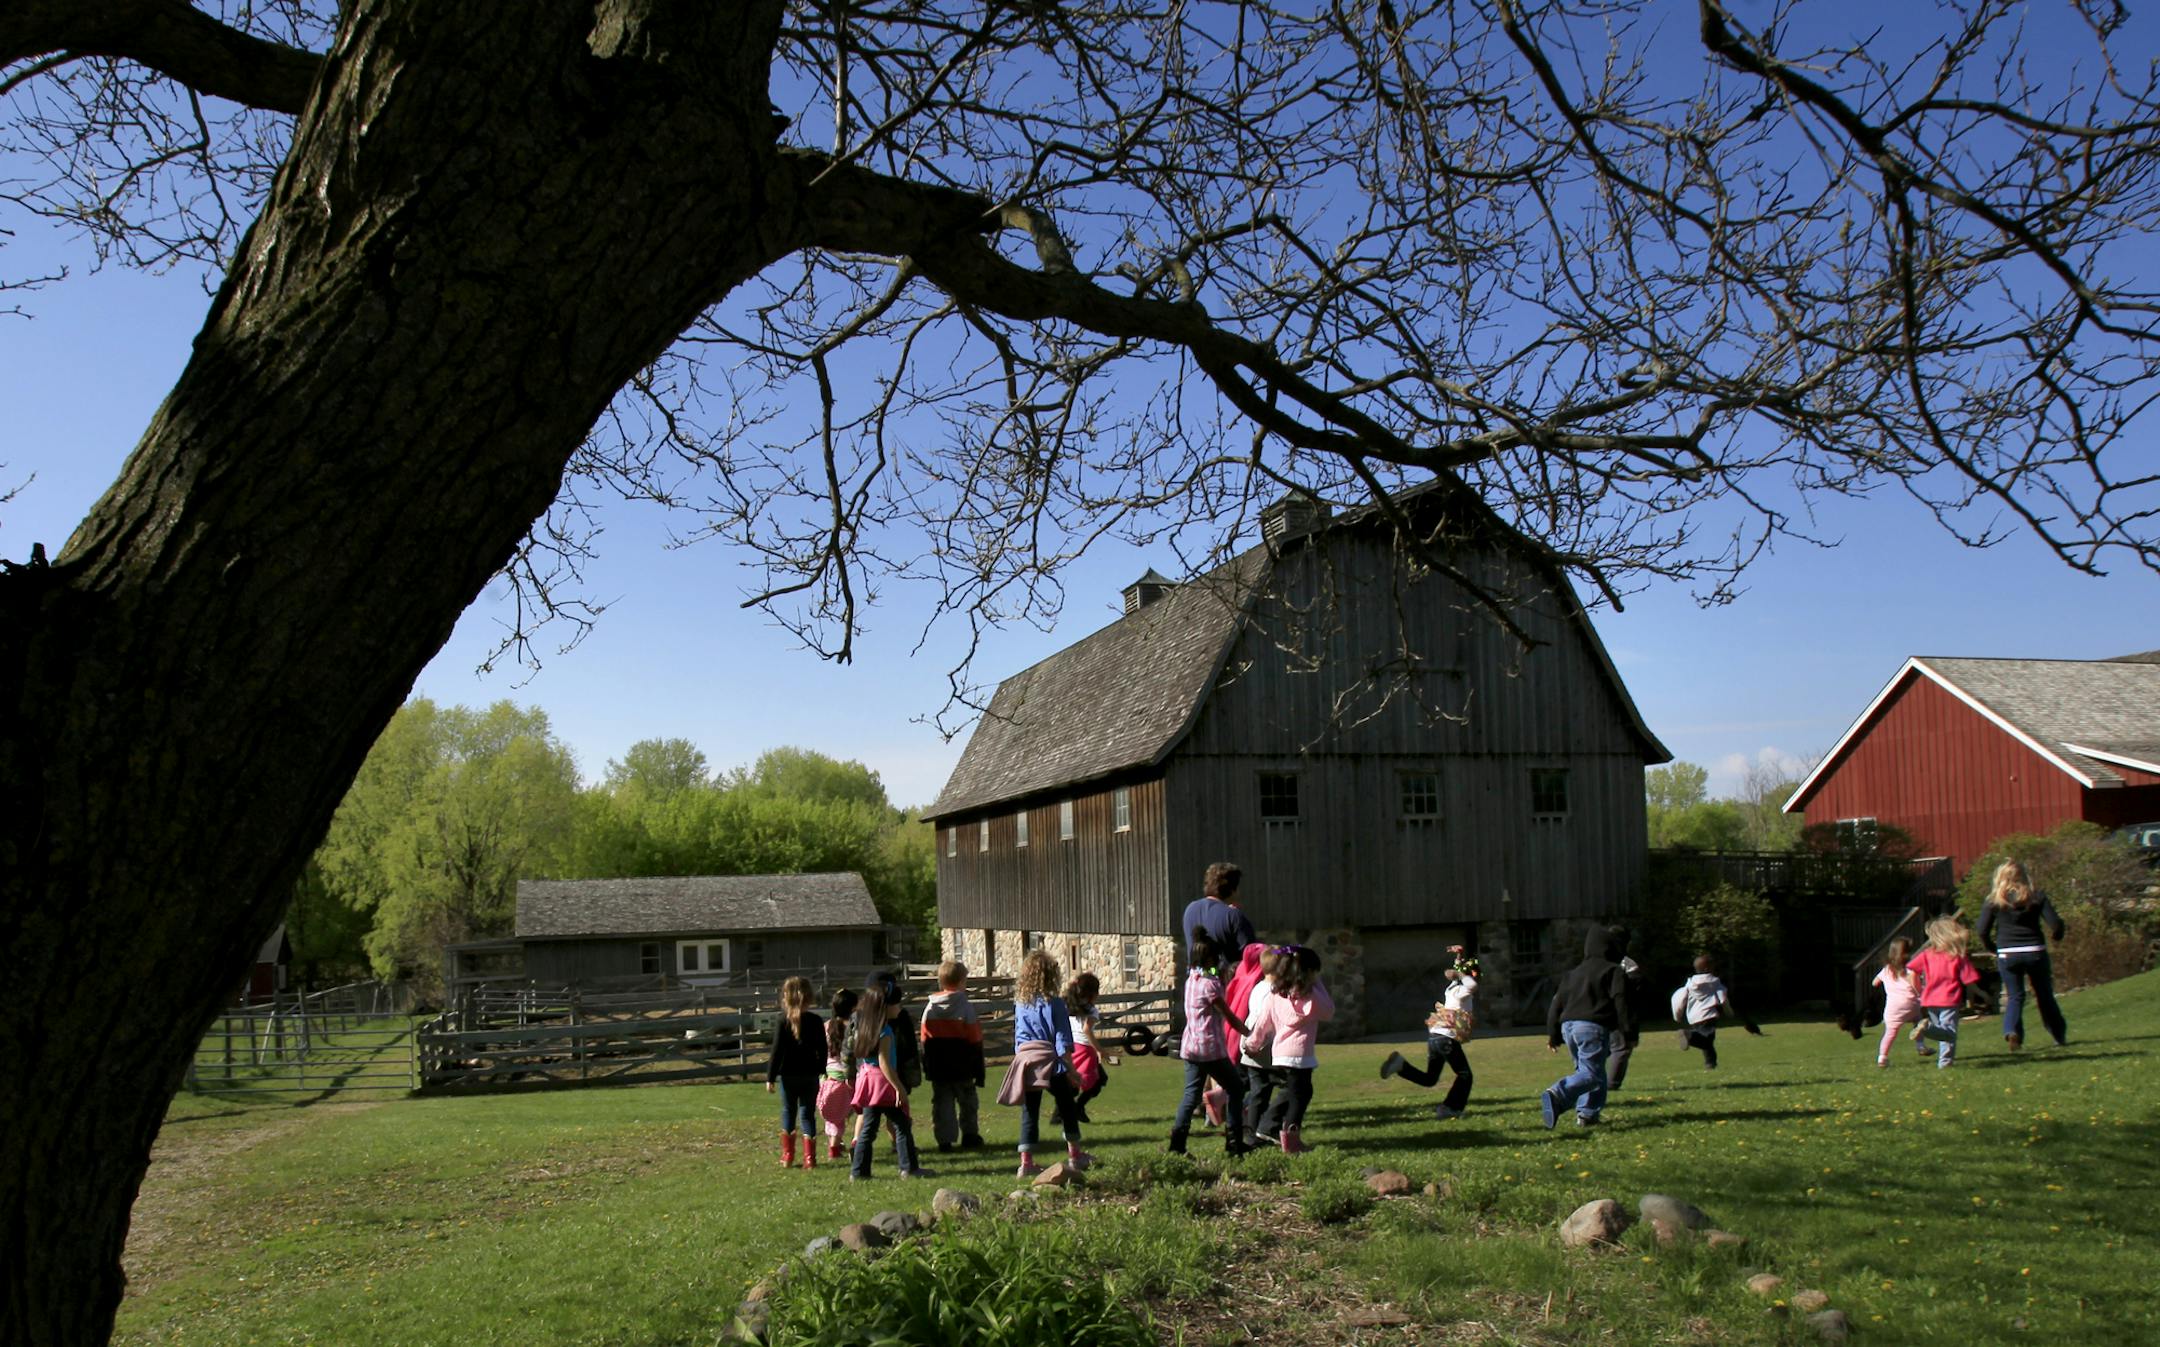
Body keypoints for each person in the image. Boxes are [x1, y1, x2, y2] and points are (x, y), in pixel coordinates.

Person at [996, 949, 1093, 1178]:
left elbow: (1019, 1036)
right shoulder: (1055, 1003)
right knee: (1067, 1107)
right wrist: (1071, 1069)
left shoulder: (1020, 1004)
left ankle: (1026, 1162)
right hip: (1052, 1062)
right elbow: (1061, 1039)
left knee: (1030, 1111)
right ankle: (1075, 1154)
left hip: (1028, 1061)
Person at [1168, 931, 1251, 1156]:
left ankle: (1177, 1145)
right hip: (1210, 1048)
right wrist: (1246, 1031)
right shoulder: (1210, 985)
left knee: (1190, 1096)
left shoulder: (1192, 979)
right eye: (1216, 958)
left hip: (1190, 1046)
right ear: (1209, 958)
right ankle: (1234, 1141)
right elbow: (1227, 1014)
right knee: (1236, 1088)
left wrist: (1218, 973)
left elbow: (1212, 972)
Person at [1542, 928, 1632, 1129]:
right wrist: (1628, 1031)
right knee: (1591, 1074)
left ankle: (1588, 1114)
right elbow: (1622, 1001)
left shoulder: (1572, 974)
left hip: (1568, 1027)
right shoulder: (1613, 970)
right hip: (1592, 1027)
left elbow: (1556, 1004)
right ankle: (1558, 1094)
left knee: (1588, 1071)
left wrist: (1553, 1034)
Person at [1976, 858, 2069, 1050]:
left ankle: (2012, 1031)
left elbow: (1981, 930)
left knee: (2015, 996)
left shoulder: (1994, 901)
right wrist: (2057, 936)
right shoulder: (2036, 896)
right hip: (2035, 951)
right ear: (2024, 876)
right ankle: (2058, 1035)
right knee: (2044, 994)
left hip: (2008, 953)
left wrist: (1992, 948)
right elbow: (2055, 923)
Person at [1249, 944, 1334, 1153]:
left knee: (1295, 1091)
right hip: (1300, 1055)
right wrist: (1317, 984)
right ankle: (1287, 1136)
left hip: (1280, 1054)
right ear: (1308, 973)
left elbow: (1262, 1024)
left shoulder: (1275, 996)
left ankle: (1271, 1126)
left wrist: (1253, 1044)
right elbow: (1329, 1011)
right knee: (1299, 1097)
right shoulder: (1311, 997)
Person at [1380, 946, 1476, 1119]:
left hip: (1435, 1038)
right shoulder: (1462, 991)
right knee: (1465, 1075)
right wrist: (1461, 974)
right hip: (1446, 1039)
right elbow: (1472, 983)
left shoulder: (1452, 988)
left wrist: (1459, 957)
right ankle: (1450, 1108)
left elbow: (1461, 973)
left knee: (1430, 1079)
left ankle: (1401, 1066)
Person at [847, 984, 931, 1179]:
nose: (899, 1008)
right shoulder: (885, 1032)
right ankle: (909, 1168)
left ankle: (858, 1172)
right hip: (882, 1083)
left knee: (868, 1128)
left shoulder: (864, 1029)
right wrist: (899, 1088)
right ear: (884, 1007)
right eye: (896, 1004)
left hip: (867, 1081)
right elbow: (884, 1064)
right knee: (902, 1124)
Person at [919, 959, 987, 1151]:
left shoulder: (930, 1008)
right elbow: (974, 1038)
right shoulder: (965, 1007)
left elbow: (924, 1039)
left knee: (942, 1104)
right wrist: (977, 1065)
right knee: (968, 1102)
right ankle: (970, 1135)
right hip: (963, 1064)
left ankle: (945, 1139)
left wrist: (928, 1063)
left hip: (940, 1065)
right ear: (961, 981)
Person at [763, 975, 827, 1170]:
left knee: (788, 1112)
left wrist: (770, 1077)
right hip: (809, 1075)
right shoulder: (816, 1021)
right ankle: (810, 1158)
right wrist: (821, 1069)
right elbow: (823, 1049)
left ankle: (788, 1155)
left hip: (789, 1075)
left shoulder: (782, 1021)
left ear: (786, 997)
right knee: (807, 1114)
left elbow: (776, 1051)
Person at [1907, 915, 1981, 1068]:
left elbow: (1912, 972)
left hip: (1929, 1000)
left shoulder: (1927, 954)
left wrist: (1919, 991)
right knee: (1949, 1033)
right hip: (1949, 999)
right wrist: (1982, 994)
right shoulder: (1957, 956)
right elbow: (1969, 980)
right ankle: (1944, 1061)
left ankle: (1941, 1055)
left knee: (1942, 1032)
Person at [1224, 944, 1273, 1147]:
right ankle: (1250, 1129)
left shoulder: (1241, 976)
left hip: (1239, 1038)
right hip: (1251, 1040)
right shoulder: (1257, 982)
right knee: (1255, 1088)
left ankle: (1247, 1126)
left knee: (1249, 1086)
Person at [1672, 954, 1750, 1070]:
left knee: (1708, 1041)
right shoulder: (1714, 982)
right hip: (1708, 1016)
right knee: (1706, 1040)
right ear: (1707, 968)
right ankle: (1689, 1035)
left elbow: (1679, 998)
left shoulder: (1690, 983)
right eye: (1713, 966)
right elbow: (1723, 999)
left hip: (1693, 1017)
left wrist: (1677, 1015)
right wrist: (1729, 1012)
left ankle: (1710, 1064)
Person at [1180, 861, 1260, 966]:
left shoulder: (1190, 909)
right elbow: (1252, 957)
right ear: (1232, 890)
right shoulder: (1234, 917)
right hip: (1225, 981)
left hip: (1195, 979)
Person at [1602, 928, 1651, 1090]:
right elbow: (1634, 992)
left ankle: (1590, 1082)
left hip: (1596, 1011)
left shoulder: (1595, 961)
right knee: (1621, 1048)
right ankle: (1611, 1084)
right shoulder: (1626, 964)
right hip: (1616, 1012)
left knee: (1602, 1050)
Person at [814, 988, 858, 1160]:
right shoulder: (854, 1027)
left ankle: (835, 1146)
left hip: (828, 1077)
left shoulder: (826, 1027)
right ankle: (840, 1146)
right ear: (853, 1007)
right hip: (849, 1077)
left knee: (833, 1116)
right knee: (850, 1113)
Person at [1871, 937, 1923, 1068]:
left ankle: (1882, 1057)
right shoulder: (1910, 971)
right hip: (1910, 1004)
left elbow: (1874, 982)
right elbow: (1917, 989)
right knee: (1919, 1021)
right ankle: (1920, 1045)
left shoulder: (1887, 969)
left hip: (1893, 1007)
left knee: (1890, 1032)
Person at [1066, 972, 1109, 1120]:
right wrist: (1100, 1050)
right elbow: (1086, 1030)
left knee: (1076, 1081)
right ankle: (1075, 1109)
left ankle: (1073, 1109)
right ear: (1092, 993)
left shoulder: (1069, 1005)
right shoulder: (1091, 1010)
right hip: (1085, 1049)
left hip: (1072, 1048)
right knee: (1093, 1081)